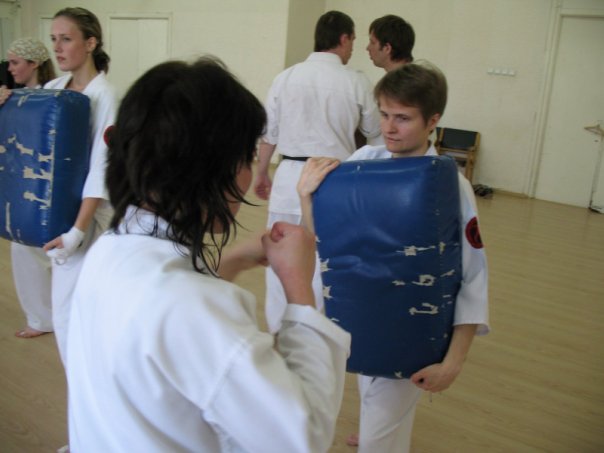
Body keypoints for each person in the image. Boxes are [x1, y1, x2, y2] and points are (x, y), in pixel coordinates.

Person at [65, 57, 351, 452]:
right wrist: (299, 289)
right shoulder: (192, 307)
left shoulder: (109, 250)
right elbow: (303, 436)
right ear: (214, 167)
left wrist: (235, 259)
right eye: (248, 157)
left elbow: (172, 323)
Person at [297, 62, 490, 453]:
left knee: (378, 438)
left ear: (432, 120)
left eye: (403, 118)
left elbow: (473, 276)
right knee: (377, 411)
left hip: (410, 324)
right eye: (384, 115)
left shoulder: (451, 187)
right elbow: (322, 238)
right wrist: (306, 195)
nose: (389, 127)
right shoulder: (362, 161)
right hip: (362, 313)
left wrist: (454, 362)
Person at [254, 10, 381, 333]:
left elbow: (269, 133)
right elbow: (374, 131)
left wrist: (261, 173)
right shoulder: (356, 81)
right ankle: (317, 332)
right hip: (333, 179)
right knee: (326, 258)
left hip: (288, 175)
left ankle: (278, 330)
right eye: (353, 40)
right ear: (343, 38)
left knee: (279, 252)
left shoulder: (286, 77)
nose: (353, 48)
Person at [38, 7, 119, 365]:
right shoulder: (52, 89)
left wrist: (78, 230)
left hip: (88, 217)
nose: (57, 47)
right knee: (70, 309)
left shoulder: (106, 96)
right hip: (58, 212)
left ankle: (85, 385)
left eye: (66, 39)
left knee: (70, 311)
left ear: (90, 43)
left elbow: (102, 164)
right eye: (53, 39)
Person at [2, 38, 57, 338]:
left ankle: (48, 316)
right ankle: (40, 317)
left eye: (15, 63)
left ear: (34, 64)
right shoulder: (14, 99)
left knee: (53, 254)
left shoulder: (56, 97)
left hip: (50, 184)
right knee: (24, 250)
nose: (10, 69)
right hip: (24, 184)